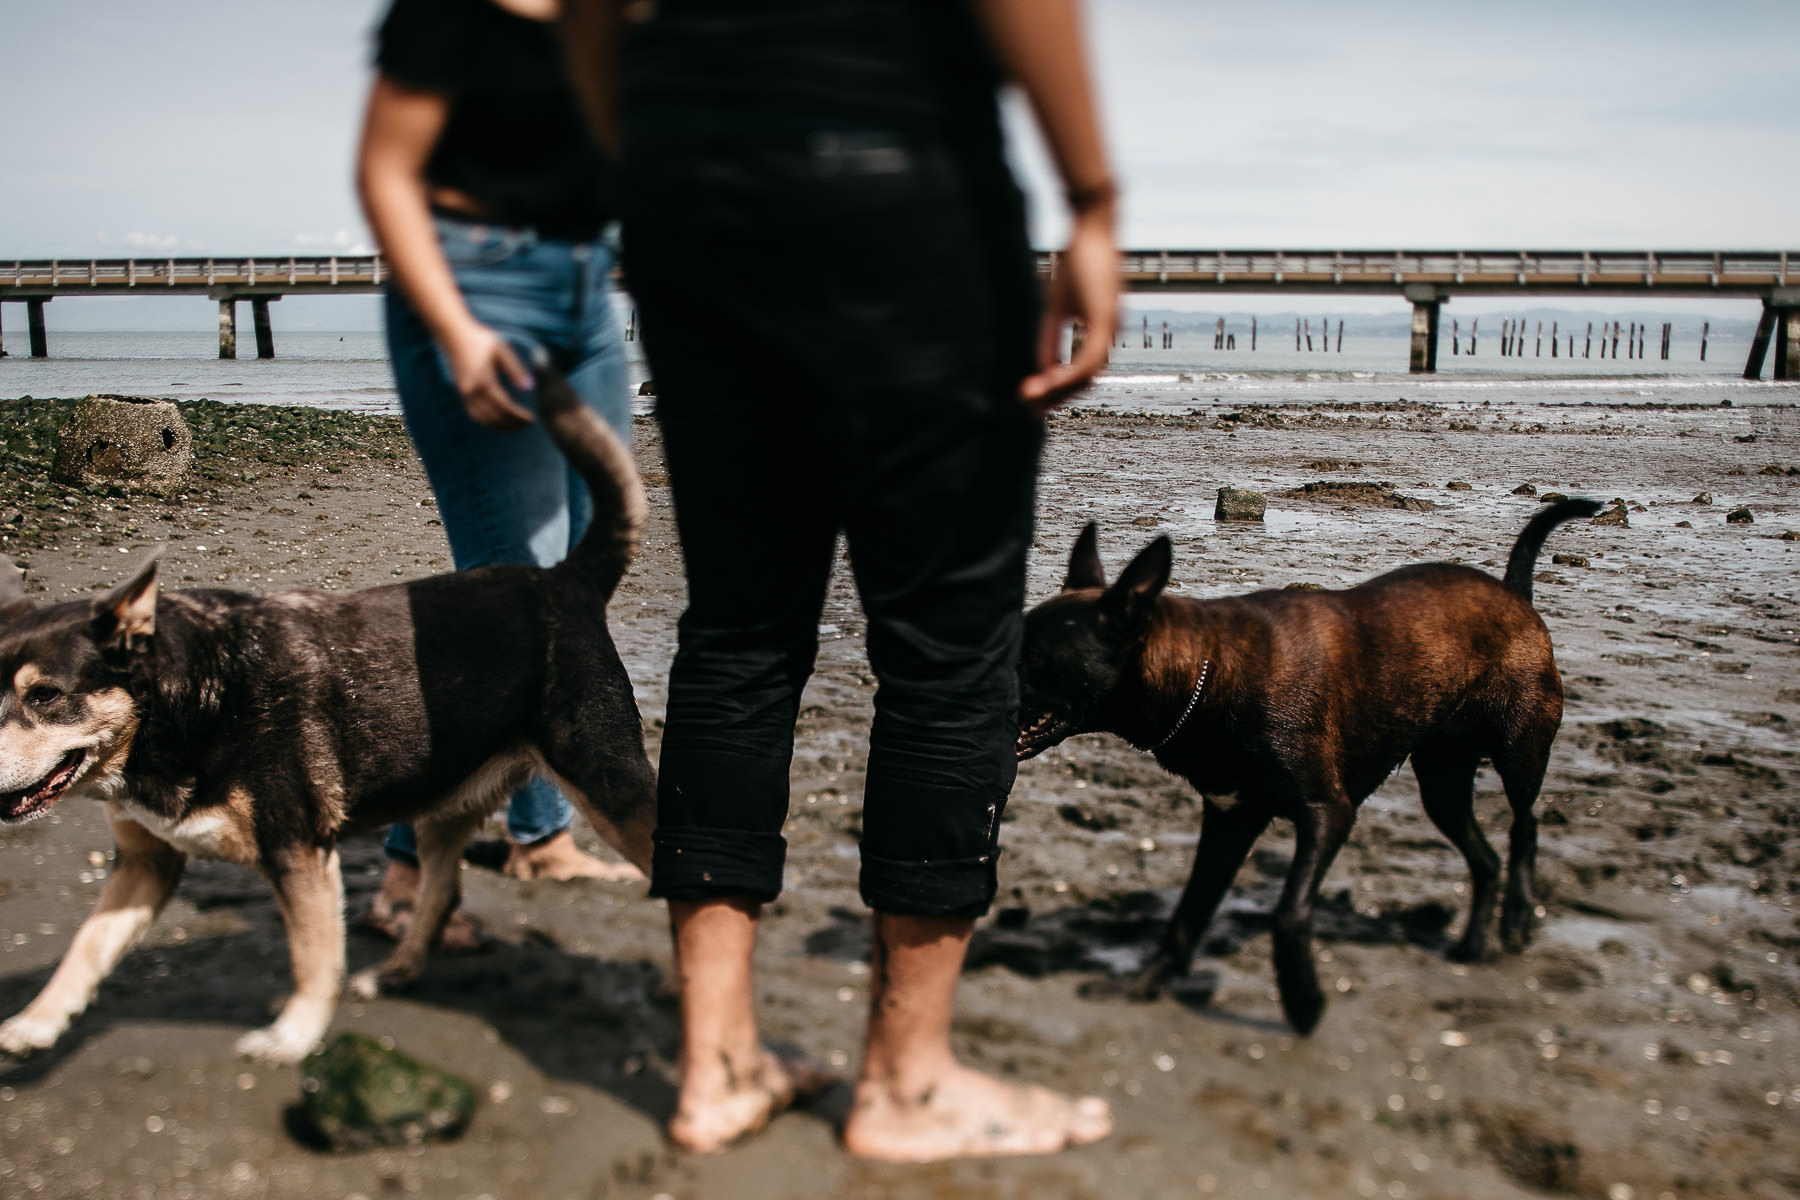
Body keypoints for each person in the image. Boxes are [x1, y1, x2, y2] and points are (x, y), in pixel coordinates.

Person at [565, 0, 1120, 1161]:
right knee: (948, 653)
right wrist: (1092, 200)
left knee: (738, 637)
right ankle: (905, 1085)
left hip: (692, 192)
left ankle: (717, 1066)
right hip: (899, 170)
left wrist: (652, 161)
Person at [356, 0, 641, 947]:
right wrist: (456, 330)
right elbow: (386, 170)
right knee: (510, 595)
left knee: (586, 568)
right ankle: (404, 866)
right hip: (475, 280)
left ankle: (537, 835)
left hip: (587, 290)